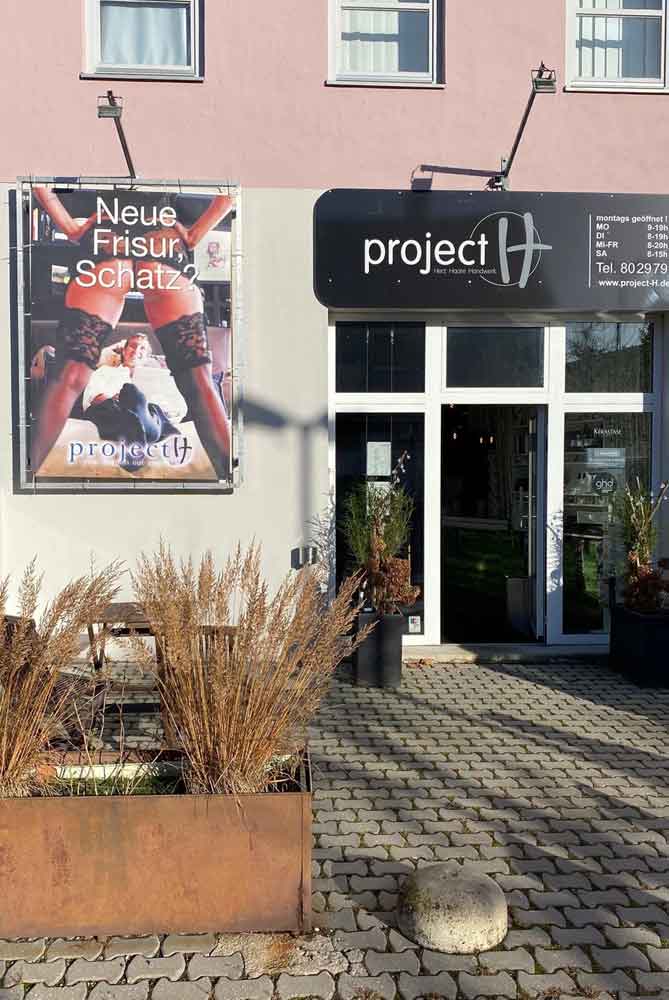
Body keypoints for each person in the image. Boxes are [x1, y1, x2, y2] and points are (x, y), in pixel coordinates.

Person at [30, 186, 234, 479]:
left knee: (68, 378)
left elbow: (38, 182)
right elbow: (228, 191)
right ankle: (231, 482)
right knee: (198, 383)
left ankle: (26, 479)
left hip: (108, 239)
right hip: (162, 242)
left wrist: (71, 228)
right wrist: (193, 235)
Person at [82, 334, 178, 473]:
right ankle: (153, 430)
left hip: (147, 416)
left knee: (152, 406)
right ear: (124, 351)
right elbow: (92, 397)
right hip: (111, 411)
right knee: (129, 392)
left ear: (147, 357)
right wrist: (116, 399)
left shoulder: (159, 378)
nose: (136, 350)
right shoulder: (106, 371)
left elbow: (176, 406)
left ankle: (142, 426)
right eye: (132, 346)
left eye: (142, 348)